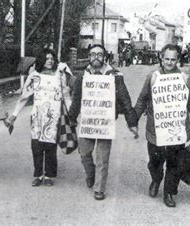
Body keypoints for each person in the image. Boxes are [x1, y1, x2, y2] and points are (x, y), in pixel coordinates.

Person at [133, 44, 190, 207]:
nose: (169, 62)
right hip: (155, 129)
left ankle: (169, 192)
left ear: (178, 60)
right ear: (161, 58)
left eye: (173, 59)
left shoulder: (184, 78)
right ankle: (156, 180)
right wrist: (133, 120)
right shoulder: (153, 77)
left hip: (177, 129)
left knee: (175, 163)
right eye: (166, 59)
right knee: (154, 162)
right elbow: (142, 99)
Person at [68, 44, 138, 200]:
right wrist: (71, 119)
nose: (96, 57)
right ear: (89, 57)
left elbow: (125, 100)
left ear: (105, 57)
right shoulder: (83, 77)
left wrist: (132, 122)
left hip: (106, 123)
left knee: (102, 157)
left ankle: (99, 189)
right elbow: (77, 100)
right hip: (88, 122)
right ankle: (91, 174)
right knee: (84, 152)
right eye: (93, 54)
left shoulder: (115, 76)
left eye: (99, 54)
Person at [8, 49, 72, 187]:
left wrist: (72, 114)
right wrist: (14, 114)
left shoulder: (59, 75)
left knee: (50, 146)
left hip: (54, 117)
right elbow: (24, 97)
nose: (50, 61)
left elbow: (66, 95)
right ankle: (38, 175)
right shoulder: (34, 76)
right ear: (41, 60)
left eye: (52, 58)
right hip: (37, 118)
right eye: (47, 58)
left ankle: (49, 175)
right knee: (36, 147)